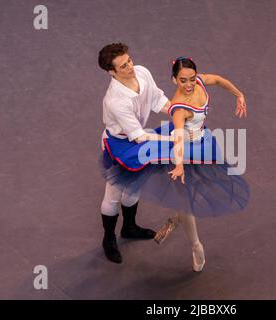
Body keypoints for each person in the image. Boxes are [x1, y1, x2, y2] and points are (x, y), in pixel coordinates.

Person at [101, 56, 250, 272]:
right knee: (120, 193)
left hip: (198, 145)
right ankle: (194, 245)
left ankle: (141, 225)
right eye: (182, 81)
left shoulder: (149, 74)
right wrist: (178, 159)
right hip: (142, 144)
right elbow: (157, 135)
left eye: (191, 79)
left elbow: (216, 80)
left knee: (155, 191)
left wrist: (239, 95)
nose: (189, 84)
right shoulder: (117, 101)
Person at [97, 42, 173, 264]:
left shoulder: (142, 72)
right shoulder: (115, 100)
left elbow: (158, 99)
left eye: (129, 60)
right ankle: (108, 238)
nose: (130, 67)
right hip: (120, 144)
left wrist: (179, 112)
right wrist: (174, 139)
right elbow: (139, 136)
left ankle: (129, 228)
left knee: (134, 187)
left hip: (139, 138)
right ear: (111, 72)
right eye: (123, 66)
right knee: (114, 194)